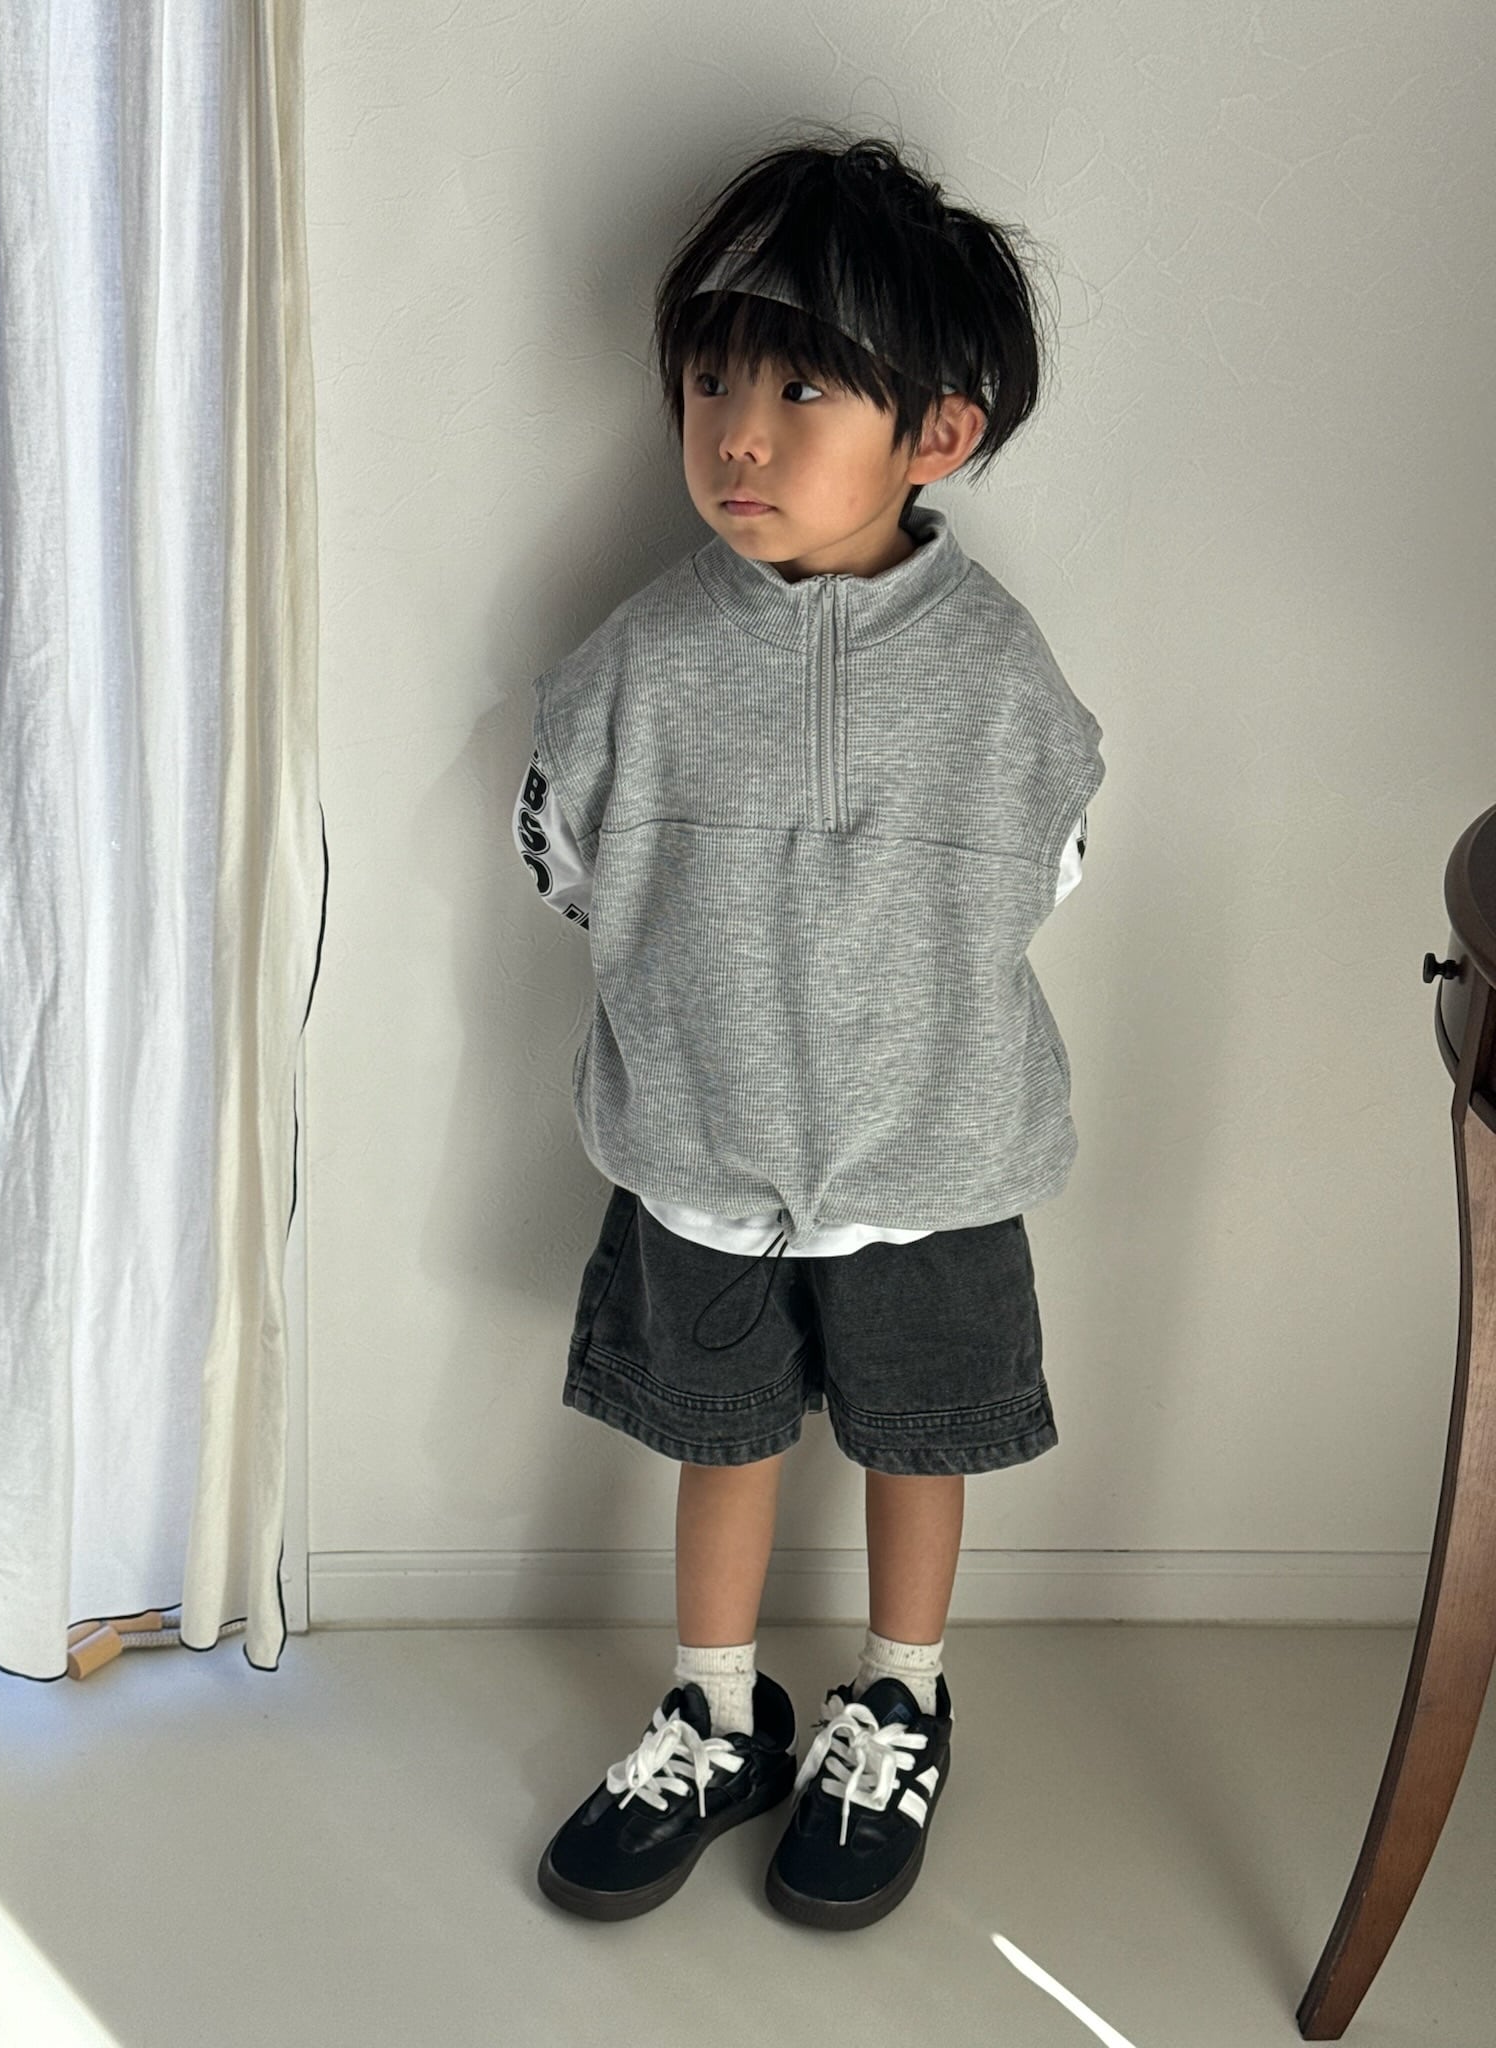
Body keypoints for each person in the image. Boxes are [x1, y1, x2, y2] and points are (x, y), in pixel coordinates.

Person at [513, 125, 1105, 1930]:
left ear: (940, 432)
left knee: (923, 1445)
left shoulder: (1000, 671)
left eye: (802, 388)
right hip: (703, 1158)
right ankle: (717, 1714)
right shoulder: (633, 664)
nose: (739, 437)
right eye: (711, 383)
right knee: (725, 1442)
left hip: (939, 1158)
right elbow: (568, 864)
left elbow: (1053, 858)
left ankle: (901, 1699)